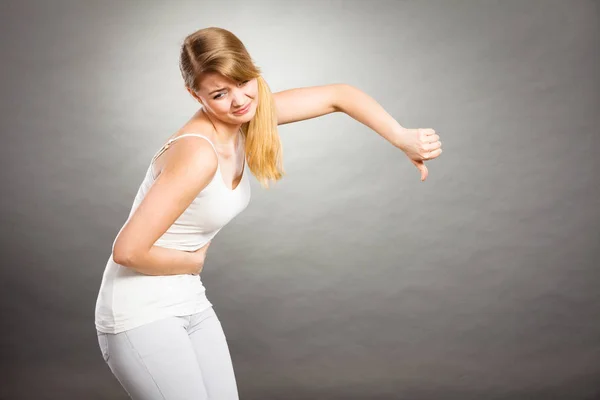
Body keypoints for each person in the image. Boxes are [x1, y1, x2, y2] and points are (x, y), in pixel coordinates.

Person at [94, 26, 442, 400]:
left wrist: (400, 136)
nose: (239, 100)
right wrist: (191, 263)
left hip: (189, 301)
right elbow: (127, 250)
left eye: (244, 81)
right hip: (139, 314)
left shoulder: (248, 115)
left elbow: (339, 96)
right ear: (194, 94)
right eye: (219, 93)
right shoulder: (198, 153)